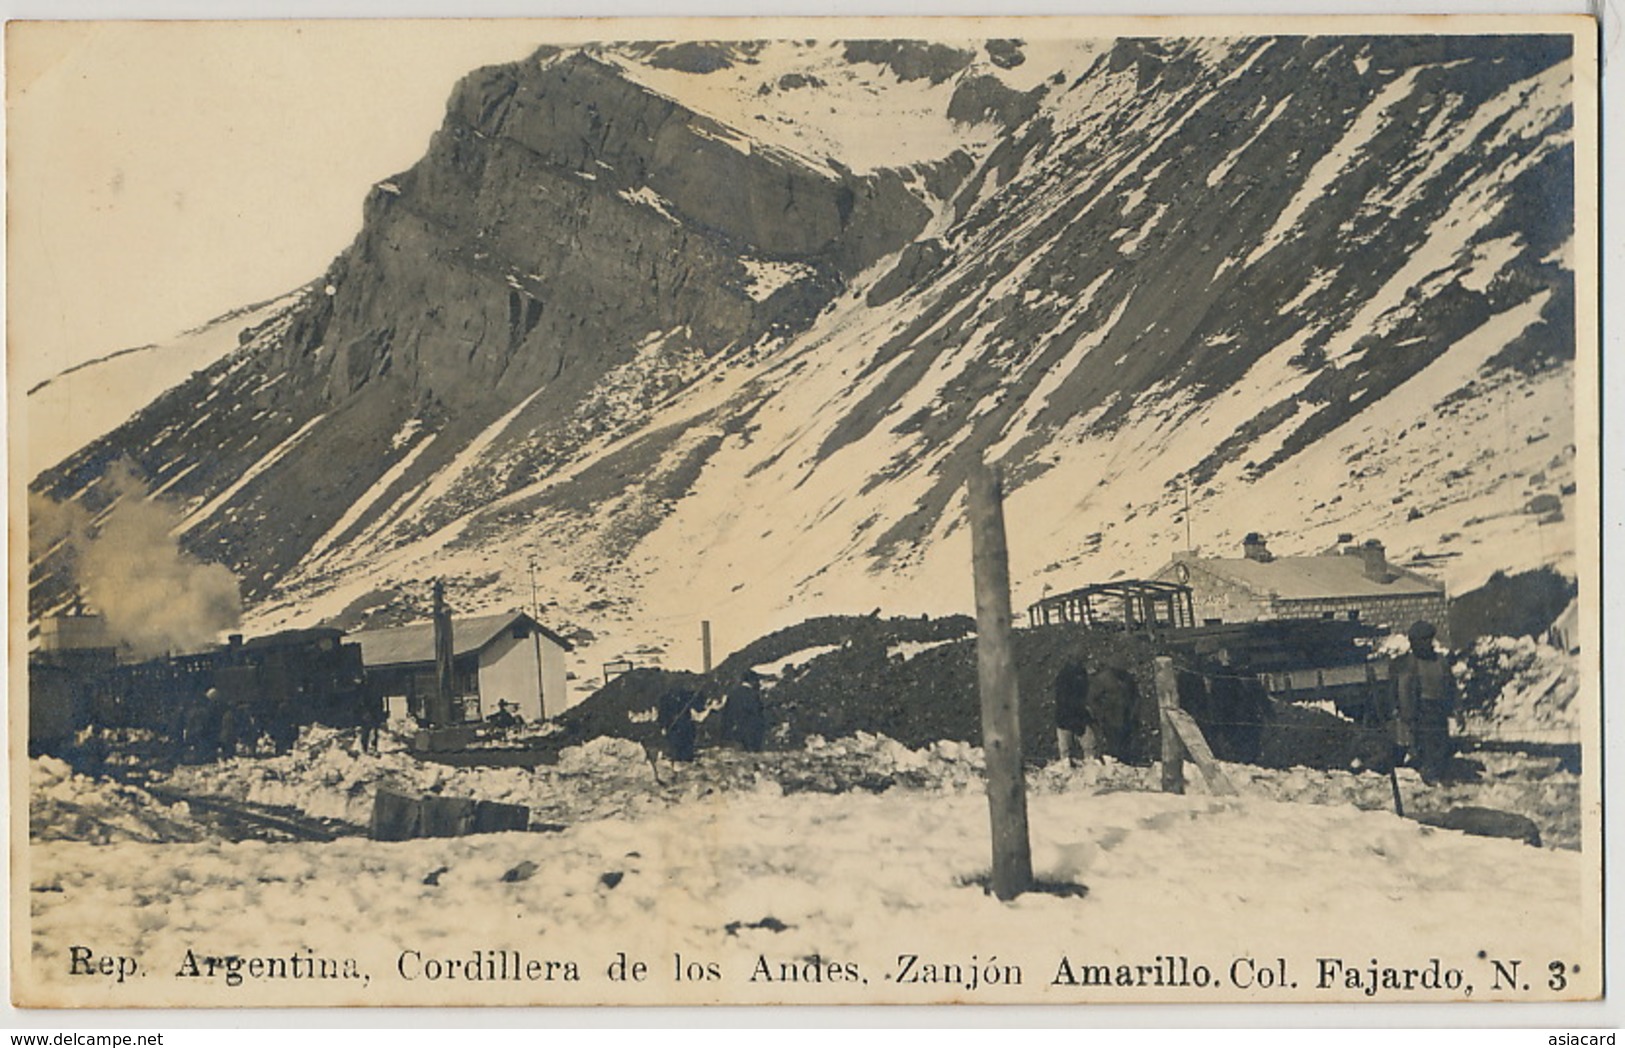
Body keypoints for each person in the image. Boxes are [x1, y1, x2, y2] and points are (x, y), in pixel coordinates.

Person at [1391, 620, 1459, 783]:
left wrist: (1454, 707)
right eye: (1418, 641)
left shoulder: (1440, 661)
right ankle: (1428, 775)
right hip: (1422, 709)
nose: (1423, 644)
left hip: (1439, 709)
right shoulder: (1410, 663)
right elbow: (1404, 689)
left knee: (1441, 742)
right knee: (1425, 744)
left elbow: (1450, 684)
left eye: (1426, 640)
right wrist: (1408, 715)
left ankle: (1440, 773)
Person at [1053, 657, 1097, 765]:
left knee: (1067, 749)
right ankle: (1088, 767)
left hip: (1070, 716)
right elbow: (1065, 699)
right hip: (1072, 716)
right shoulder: (1069, 677)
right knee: (1085, 746)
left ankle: (1071, 767)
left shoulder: (1066, 676)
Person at [722, 670, 767, 752]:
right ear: (752, 681)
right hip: (750, 733)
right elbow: (757, 713)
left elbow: (726, 714)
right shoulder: (753, 694)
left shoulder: (733, 693)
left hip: (735, 733)